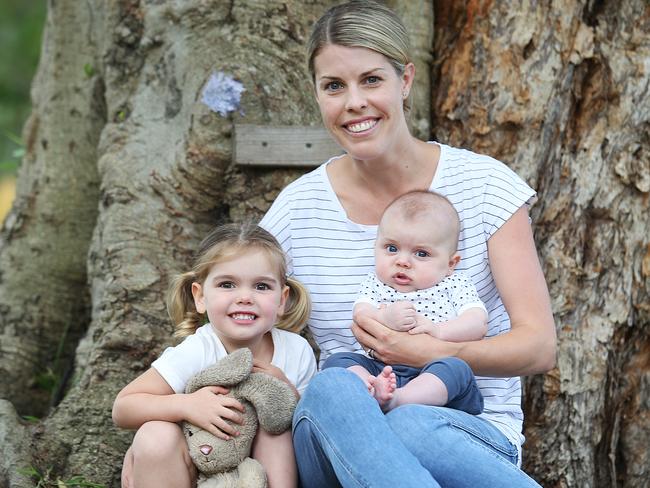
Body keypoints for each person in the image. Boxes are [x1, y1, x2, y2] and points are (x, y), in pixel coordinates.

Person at [260, 1, 556, 486]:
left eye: (371, 80)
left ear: (406, 81)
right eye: (334, 86)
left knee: (411, 422)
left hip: (463, 433)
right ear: (317, 94)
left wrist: (424, 352)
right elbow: (241, 319)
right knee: (333, 388)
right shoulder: (297, 211)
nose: (354, 101)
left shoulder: (484, 186)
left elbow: (539, 345)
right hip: (339, 438)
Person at [113, 222, 317, 488]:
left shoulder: (296, 351)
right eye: (227, 284)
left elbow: (311, 427)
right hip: (197, 470)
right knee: (154, 434)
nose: (245, 297)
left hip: (257, 476)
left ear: (282, 300)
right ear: (200, 296)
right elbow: (124, 407)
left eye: (262, 287)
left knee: (278, 428)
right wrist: (188, 405)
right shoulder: (199, 349)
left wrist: (287, 392)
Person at [323, 190, 487, 414]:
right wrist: (383, 317)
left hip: (433, 371)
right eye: (392, 248)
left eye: (421, 253)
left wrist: (438, 331)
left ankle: (399, 399)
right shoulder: (376, 283)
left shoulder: (455, 284)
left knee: (456, 369)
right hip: (381, 368)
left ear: (451, 264)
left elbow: (478, 322)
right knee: (338, 362)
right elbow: (361, 314)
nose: (402, 261)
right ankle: (371, 388)